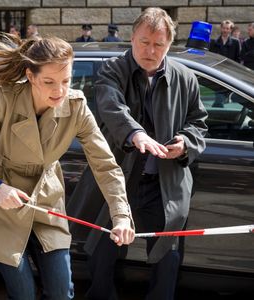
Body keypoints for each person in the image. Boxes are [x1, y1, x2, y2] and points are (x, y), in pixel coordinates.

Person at [0, 36, 135, 299]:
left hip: (46, 200)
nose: (59, 90)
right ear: (31, 76)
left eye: (66, 81)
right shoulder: (5, 97)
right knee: (23, 292)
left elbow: (105, 165)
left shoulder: (77, 107)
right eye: (49, 81)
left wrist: (121, 216)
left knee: (61, 290)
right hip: (0, 200)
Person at [69, 8, 208, 300]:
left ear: (169, 44)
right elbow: (110, 107)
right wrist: (136, 134)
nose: (150, 50)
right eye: (144, 42)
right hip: (118, 180)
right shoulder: (111, 70)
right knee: (102, 253)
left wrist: (185, 143)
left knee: (166, 259)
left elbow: (199, 122)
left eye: (158, 44)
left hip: (165, 184)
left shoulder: (185, 77)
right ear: (132, 38)